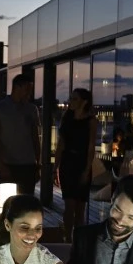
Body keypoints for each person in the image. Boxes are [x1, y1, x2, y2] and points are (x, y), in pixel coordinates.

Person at [53, 87, 98, 242]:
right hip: (68, 163)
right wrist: (55, 167)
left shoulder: (91, 121)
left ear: (84, 102)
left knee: (80, 207)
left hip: (81, 163)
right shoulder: (67, 119)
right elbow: (61, 145)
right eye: (70, 98)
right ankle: (67, 237)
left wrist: (87, 169)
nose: (70, 102)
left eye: (74, 99)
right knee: (69, 204)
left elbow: (91, 147)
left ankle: (78, 240)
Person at [0, 73, 40, 196]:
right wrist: (0, 164)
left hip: (28, 164)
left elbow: (35, 138)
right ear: (17, 87)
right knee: (9, 201)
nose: (29, 93)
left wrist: (38, 164)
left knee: (26, 200)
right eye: (27, 89)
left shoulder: (32, 109)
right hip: (8, 164)